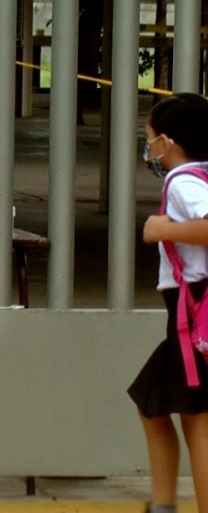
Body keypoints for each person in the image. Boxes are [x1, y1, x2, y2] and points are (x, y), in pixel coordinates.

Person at [128, 92, 208, 513]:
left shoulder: (183, 182)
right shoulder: (204, 176)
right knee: (152, 403)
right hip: (187, 312)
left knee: (197, 416)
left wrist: (162, 229)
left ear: (169, 142)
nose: (150, 149)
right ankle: (162, 504)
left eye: (150, 138)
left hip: (192, 310)